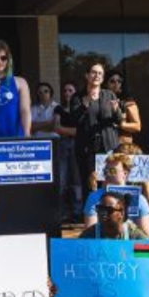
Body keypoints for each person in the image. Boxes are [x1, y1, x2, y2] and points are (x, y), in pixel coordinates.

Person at [64, 191, 149, 297]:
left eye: (108, 210)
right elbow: (70, 269)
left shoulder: (134, 235)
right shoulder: (89, 236)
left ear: (121, 213)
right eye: (99, 209)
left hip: (125, 295)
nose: (103, 213)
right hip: (98, 295)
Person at [67, 62, 123, 195]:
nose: (96, 75)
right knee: (90, 184)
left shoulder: (109, 95)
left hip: (109, 147)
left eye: (100, 73)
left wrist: (116, 111)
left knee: (110, 182)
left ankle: (110, 213)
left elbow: (119, 120)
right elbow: (73, 121)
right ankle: (90, 214)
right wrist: (84, 106)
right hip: (87, 149)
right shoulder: (78, 97)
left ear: (102, 78)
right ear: (87, 75)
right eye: (93, 72)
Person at [81, 153, 149, 237]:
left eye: (112, 171)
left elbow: (146, 235)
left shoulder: (139, 199)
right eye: (105, 171)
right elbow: (91, 232)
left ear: (125, 174)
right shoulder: (94, 197)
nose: (108, 174)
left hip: (129, 245)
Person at [55, 81, 82, 221]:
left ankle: (77, 211)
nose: (67, 93)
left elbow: (82, 129)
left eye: (70, 90)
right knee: (62, 178)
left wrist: (72, 132)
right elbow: (57, 128)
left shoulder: (81, 108)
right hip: (63, 145)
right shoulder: (59, 108)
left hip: (78, 145)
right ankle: (62, 212)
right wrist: (75, 131)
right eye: (65, 90)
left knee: (77, 179)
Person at [105, 70, 142, 147]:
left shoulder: (128, 102)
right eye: (112, 81)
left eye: (119, 81)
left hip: (123, 145)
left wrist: (121, 125)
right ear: (106, 84)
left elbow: (137, 126)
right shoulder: (101, 101)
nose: (116, 84)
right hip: (104, 144)